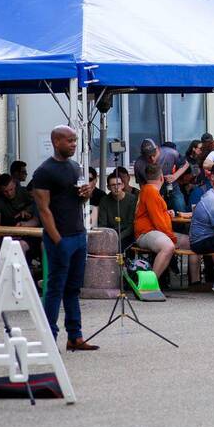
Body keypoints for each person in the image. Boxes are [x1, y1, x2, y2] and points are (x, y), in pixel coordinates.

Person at [30, 125, 98, 351]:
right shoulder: (43, 172)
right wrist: (57, 239)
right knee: (55, 289)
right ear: (56, 142)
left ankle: (75, 336)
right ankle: (49, 337)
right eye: (69, 140)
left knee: (73, 289)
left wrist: (86, 193)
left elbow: (77, 200)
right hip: (59, 237)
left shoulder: (75, 167)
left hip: (78, 234)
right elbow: (44, 210)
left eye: (75, 140)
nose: (73, 144)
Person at [134, 163, 199, 287]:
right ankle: (149, 284)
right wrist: (171, 237)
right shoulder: (151, 192)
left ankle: (195, 283)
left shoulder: (149, 190)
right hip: (146, 232)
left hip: (155, 231)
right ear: (162, 178)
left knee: (194, 243)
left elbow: (156, 214)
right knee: (168, 246)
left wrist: (167, 214)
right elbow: (158, 221)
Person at [96, 172, 138, 250]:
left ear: (123, 185)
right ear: (108, 187)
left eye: (118, 184)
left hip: (127, 235)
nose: (116, 187)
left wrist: (118, 237)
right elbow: (102, 224)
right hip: (110, 234)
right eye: (113, 185)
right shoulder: (104, 200)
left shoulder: (132, 199)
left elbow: (131, 225)